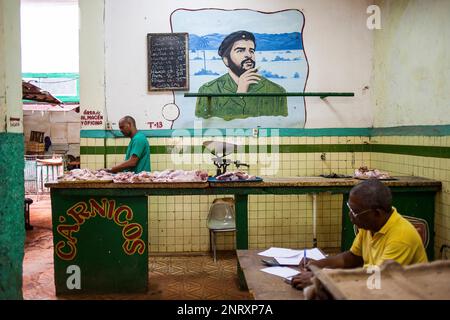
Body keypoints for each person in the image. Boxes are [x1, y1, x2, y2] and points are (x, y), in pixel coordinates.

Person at [292, 179, 428, 290]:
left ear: (376, 213)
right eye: (349, 208)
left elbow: (378, 281)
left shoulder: (401, 238)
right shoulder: (369, 226)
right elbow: (351, 258)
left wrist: (321, 280)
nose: (350, 215)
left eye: (355, 212)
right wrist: (316, 265)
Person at [195, 30, 288, 121]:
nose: (249, 55)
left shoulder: (276, 91)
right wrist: (240, 93)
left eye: (251, 51)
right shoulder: (208, 90)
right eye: (240, 50)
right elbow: (200, 127)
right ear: (226, 60)